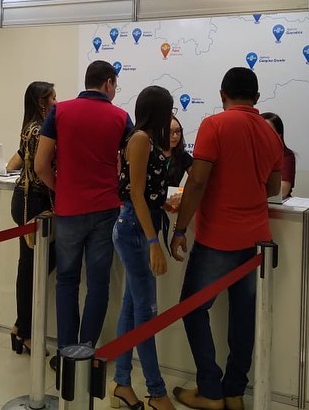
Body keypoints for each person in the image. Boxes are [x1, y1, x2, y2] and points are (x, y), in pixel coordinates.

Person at [170, 67, 282, 410]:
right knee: (244, 317)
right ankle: (234, 392)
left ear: (222, 95)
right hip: (256, 240)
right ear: (257, 98)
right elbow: (273, 187)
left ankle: (210, 390)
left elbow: (198, 181)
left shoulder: (214, 125)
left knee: (192, 308)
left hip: (217, 238)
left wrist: (179, 229)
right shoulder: (270, 132)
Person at [35, 60, 133, 370]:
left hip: (69, 210)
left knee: (66, 280)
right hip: (106, 209)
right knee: (98, 283)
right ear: (108, 83)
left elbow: (40, 164)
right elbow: (132, 162)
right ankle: (87, 351)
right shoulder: (121, 117)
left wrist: (60, 189)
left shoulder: (59, 112)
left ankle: (66, 352)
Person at [111, 86, 175, 410]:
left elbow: (146, 193)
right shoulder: (139, 139)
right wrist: (153, 243)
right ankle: (156, 391)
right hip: (135, 230)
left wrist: (164, 204)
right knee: (146, 314)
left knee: (131, 309)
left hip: (141, 225)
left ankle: (122, 384)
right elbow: (135, 193)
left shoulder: (148, 140)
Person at [6, 81, 57, 354]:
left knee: (32, 266)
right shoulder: (39, 130)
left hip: (29, 199)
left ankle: (21, 327)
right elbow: (41, 168)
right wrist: (59, 188)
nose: (56, 102)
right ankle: (24, 330)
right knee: (31, 267)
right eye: (53, 98)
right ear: (41, 102)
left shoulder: (31, 126)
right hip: (33, 201)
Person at [261, 112, 296, 199]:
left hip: (277, 203)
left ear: (278, 135)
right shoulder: (250, 153)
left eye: (267, 131)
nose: (262, 134)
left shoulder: (286, 156)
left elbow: (283, 190)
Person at [165, 115, 193, 187]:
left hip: (172, 193)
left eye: (178, 131)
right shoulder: (150, 153)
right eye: (170, 132)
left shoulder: (183, 156)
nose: (175, 136)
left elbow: (197, 179)